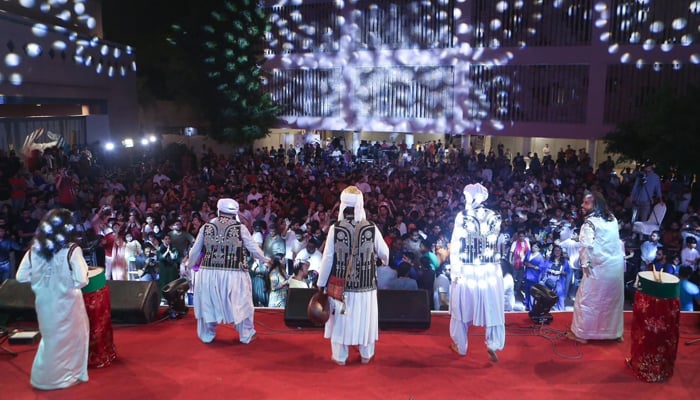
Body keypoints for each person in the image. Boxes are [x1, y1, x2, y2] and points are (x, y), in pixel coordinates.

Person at [15, 208, 90, 390]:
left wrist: (41, 281)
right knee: (75, 339)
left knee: (50, 340)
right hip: (68, 303)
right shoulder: (72, 250)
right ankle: (68, 376)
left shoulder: (34, 250)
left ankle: (44, 378)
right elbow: (81, 280)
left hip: (44, 303)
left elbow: (20, 277)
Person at [317, 186, 390, 366]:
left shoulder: (336, 228)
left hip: (340, 285)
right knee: (365, 320)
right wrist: (382, 262)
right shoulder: (371, 228)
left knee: (340, 321)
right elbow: (385, 253)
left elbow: (327, 259)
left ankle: (340, 357)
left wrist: (320, 283)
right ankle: (366, 355)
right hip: (366, 286)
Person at [185, 198, 270, 344]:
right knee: (242, 303)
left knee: (208, 304)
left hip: (208, 272)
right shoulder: (240, 228)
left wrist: (189, 266)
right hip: (234, 272)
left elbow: (195, 251)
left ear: (219, 211)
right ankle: (246, 335)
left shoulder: (206, 227)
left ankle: (206, 335)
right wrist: (266, 260)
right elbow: (253, 248)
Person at [449, 183, 504, 362]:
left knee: (461, 307)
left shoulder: (462, 216)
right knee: (492, 308)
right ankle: (493, 343)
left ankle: (460, 345)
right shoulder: (496, 216)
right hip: (490, 271)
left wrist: (455, 271)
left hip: (468, 270)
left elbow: (456, 244)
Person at [567, 191, 625, 344]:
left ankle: (582, 334)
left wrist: (585, 264)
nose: (582, 206)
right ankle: (614, 333)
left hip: (598, 268)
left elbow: (586, 246)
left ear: (596, 205)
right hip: (615, 267)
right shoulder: (612, 219)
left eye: (586, 203)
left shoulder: (589, 223)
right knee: (612, 301)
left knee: (587, 300)